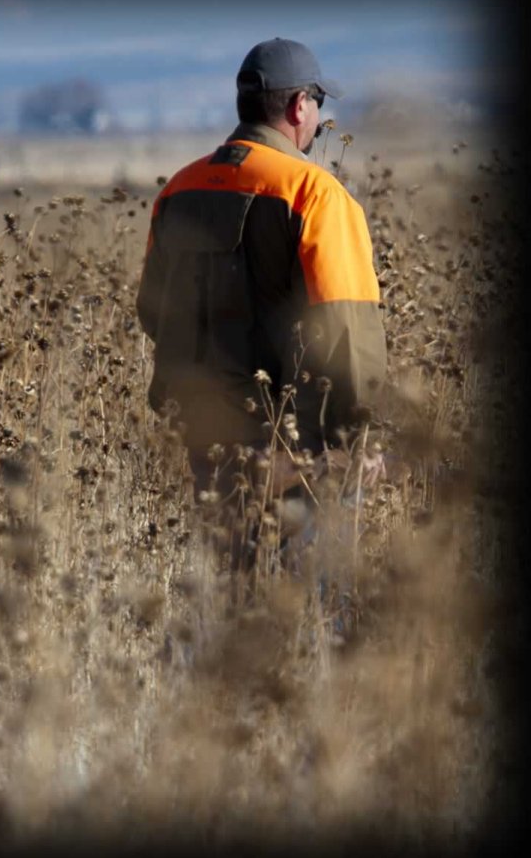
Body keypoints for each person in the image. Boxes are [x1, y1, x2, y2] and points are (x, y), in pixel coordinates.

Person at [135, 38, 388, 588]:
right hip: (298, 451)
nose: (318, 117)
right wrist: (356, 440)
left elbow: (154, 311)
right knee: (305, 601)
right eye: (318, 103)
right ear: (299, 105)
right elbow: (347, 332)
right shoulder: (315, 194)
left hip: (207, 438)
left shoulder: (179, 189)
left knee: (229, 596)